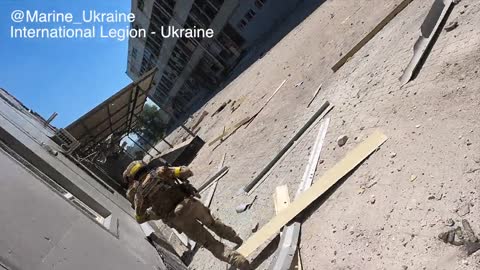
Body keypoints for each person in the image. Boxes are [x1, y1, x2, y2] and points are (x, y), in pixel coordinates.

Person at [123, 160, 251, 270]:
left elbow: (139, 218)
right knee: (214, 223)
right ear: (144, 166)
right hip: (191, 204)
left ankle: (238, 261)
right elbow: (187, 171)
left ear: (134, 177)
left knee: (209, 243)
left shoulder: (139, 196)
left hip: (178, 219)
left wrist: (154, 214)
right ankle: (236, 239)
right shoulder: (160, 171)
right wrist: (178, 177)